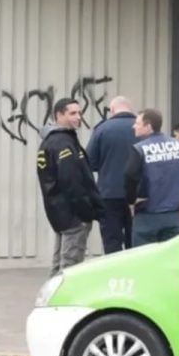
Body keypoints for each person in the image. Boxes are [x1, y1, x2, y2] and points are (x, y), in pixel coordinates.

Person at [36, 98, 105, 275]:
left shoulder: (51, 142)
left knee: (60, 263)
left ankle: (52, 298)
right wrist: (86, 212)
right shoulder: (62, 143)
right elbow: (72, 182)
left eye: (79, 113)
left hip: (60, 213)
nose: (78, 117)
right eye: (72, 113)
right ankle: (63, 300)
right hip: (73, 215)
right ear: (59, 115)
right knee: (71, 267)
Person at [124, 109, 179, 247]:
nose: (134, 126)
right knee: (170, 260)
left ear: (148, 126)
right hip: (173, 215)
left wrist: (131, 200)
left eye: (137, 123)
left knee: (144, 261)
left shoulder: (140, 149)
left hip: (147, 215)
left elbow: (129, 175)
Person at [86, 96, 137, 253]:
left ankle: (115, 274)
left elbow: (90, 162)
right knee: (135, 239)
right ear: (131, 108)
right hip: (137, 195)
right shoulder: (143, 127)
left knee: (111, 240)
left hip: (109, 193)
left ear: (112, 110)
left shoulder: (102, 129)